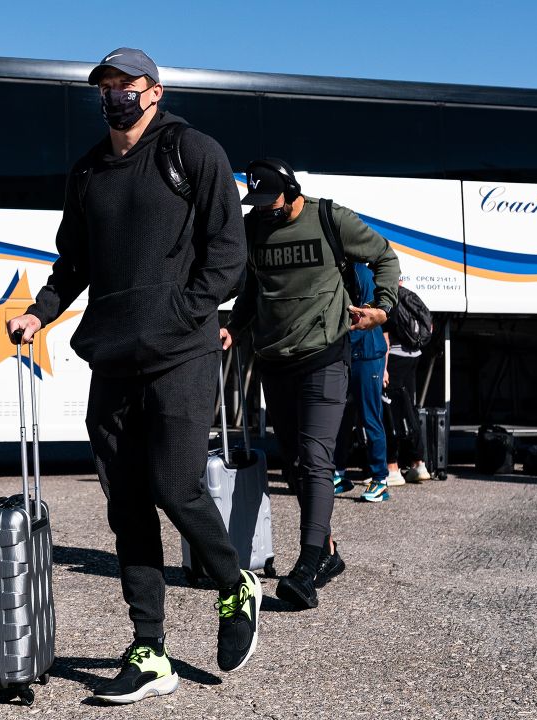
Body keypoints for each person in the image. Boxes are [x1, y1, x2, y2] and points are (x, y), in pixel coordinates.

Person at [7, 48, 259, 705]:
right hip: (112, 356)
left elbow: (229, 251)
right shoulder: (89, 169)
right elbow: (73, 264)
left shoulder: (192, 152)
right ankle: (150, 650)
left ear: (154, 91)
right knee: (126, 505)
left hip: (181, 351)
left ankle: (235, 583)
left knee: (176, 486)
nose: (115, 96)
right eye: (106, 87)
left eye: (126, 86)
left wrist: (186, 310)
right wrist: (39, 314)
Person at [222, 158, 400, 609]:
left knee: (318, 459)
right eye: (257, 202)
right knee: (297, 462)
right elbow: (252, 288)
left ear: (292, 189)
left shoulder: (328, 218)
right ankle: (331, 551)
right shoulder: (253, 227)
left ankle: (309, 562)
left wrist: (381, 308)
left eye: (271, 200)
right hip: (273, 359)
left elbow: (384, 256)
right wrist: (235, 327)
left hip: (325, 356)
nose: (264, 209)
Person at [334, 262, 392, 504]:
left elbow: (369, 318)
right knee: (339, 418)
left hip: (367, 356)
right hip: (350, 354)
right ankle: (338, 474)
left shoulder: (361, 274)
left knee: (370, 418)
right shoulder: (343, 270)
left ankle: (380, 480)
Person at [384, 281, 431, 485]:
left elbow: (385, 338)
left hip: (395, 358)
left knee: (391, 411)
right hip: (415, 355)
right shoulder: (410, 295)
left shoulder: (387, 297)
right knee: (409, 409)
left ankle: (392, 468)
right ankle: (418, 464)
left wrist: (383, 368)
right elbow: (429, 325)